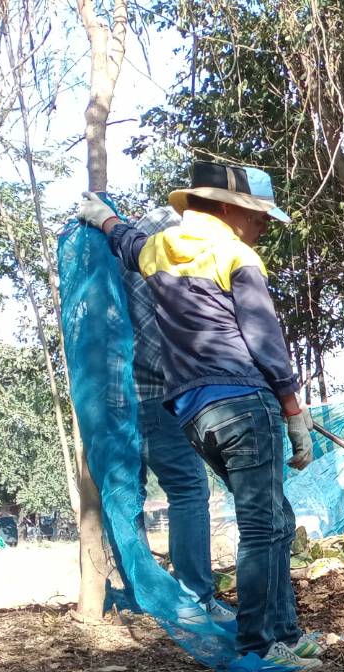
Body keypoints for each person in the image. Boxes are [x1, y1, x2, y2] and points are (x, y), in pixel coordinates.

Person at [76, 161, 323, 672]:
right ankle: (259, 645)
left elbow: (123, 240)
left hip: (194, 413)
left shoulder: (160, 250)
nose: (263, 228)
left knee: (274, 519)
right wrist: (293, 410)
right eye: (259, 217)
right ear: (232, 210)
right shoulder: (237, 253)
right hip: (245, 402)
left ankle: (286, 633)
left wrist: (102, 219)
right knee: (262, 526)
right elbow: (264, 339)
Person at [119, 202, 231, 625]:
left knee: (132, 494)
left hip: (131, 397)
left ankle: (142, 589)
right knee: (188, 488)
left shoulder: (131, 263)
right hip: (157, 395)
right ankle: (194, 598)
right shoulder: (164, 265)